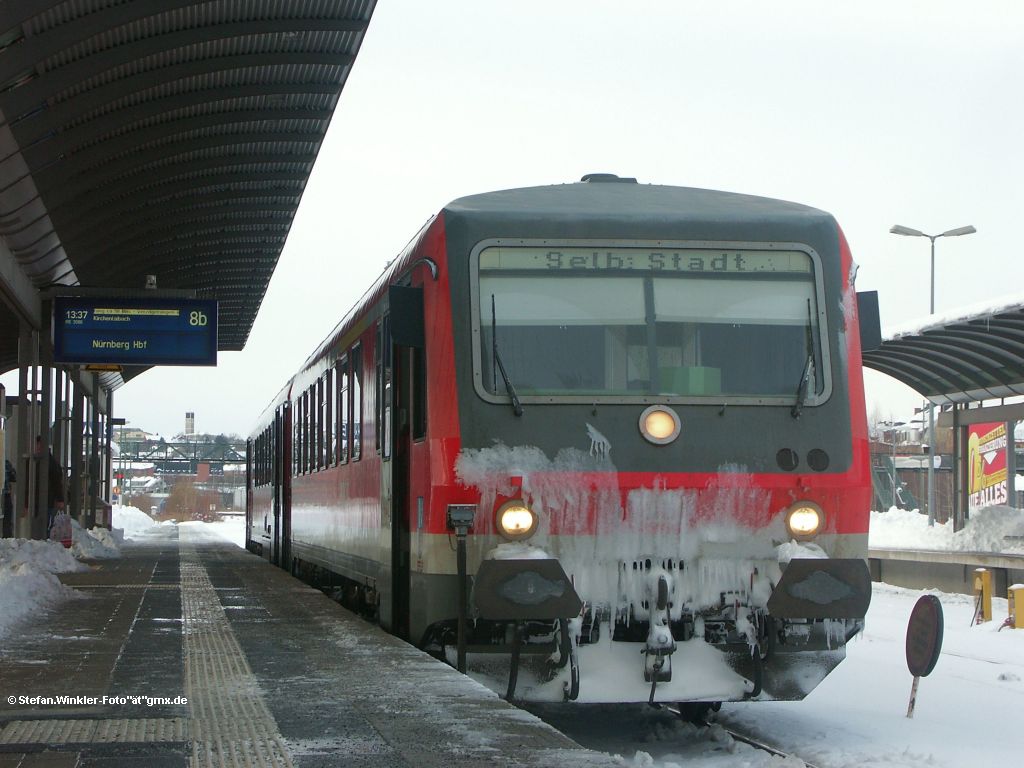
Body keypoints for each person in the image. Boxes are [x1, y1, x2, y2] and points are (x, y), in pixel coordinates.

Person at [2, 458, 14, 538]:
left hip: (5, 496)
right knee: (6, 522)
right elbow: (14, 477)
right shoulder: (5, 463)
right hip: (5, 496)